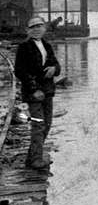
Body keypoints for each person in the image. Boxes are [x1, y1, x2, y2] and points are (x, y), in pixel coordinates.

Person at [13, 16, 61, 169]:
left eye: (39, 26)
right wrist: (34, 90)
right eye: (33, 27)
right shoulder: (24, 47)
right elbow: (19, 71)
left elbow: (56, 65)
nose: (36, 29)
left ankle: (32, 157)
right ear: (28, 30)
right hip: (34, 93)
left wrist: (54, 69)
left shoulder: (47, 45)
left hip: (48, 91)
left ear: (44, 28)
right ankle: (35, 160)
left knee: (47, 124)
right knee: (38, 125)